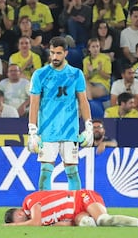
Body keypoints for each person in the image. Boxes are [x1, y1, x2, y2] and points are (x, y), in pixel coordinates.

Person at [28, 36, 93, 191]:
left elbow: (83, 101)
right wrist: (32, 129)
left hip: (70, 131)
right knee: (45, 172)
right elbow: (34, 103)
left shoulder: (76, 74)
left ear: (66, 53)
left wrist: (89, 126)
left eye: (58, 53)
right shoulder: (39, 74)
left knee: (72, 172)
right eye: (52, 53)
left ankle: (75, 209)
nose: (54, 57)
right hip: (47, 131)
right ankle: (45, 209)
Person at [4, 189, 138, 227]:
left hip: (81, 197)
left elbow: (36, 221)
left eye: (16, 218)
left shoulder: (29, 201)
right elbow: (65, 223)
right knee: (88, 224)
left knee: (103, 220)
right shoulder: (43, 222)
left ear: (19, 212)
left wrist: (11, 226)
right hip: (75, 214)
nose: (19, 220)